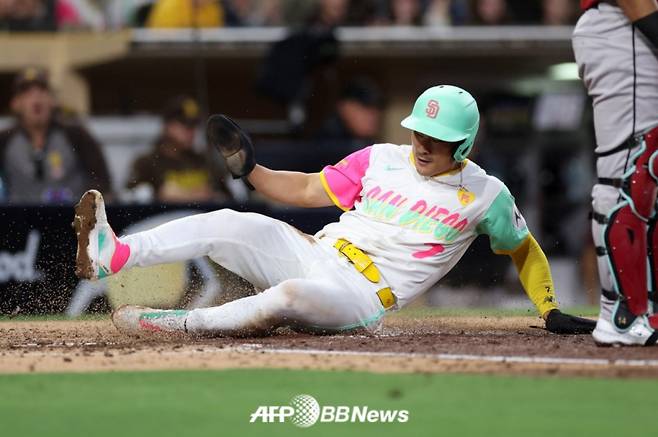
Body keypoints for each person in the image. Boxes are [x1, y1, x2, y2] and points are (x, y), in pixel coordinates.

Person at [72, 85, 594, 337]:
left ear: (464, 144)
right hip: (316, 251)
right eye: (419, 131)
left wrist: (548, 309)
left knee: (292, 297)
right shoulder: (380, 158)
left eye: (438, 138)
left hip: (361, 297)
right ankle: (114, 255)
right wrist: (251, 170)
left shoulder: (487, 194)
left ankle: (184, 324)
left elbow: (524, 250)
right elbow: (303, 191)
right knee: (233, 222)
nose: (423, 143)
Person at [572, 0, 658, 345]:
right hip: (626, 26)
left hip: (636, 29)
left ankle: (646, 308)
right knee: (632, 172)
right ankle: (623, 313)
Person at [0, 67, 111, 204]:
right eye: (27, 94)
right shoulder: (5, 140)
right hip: (17, 220)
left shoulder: (76, 136)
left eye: (42, 92)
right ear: (16, 104)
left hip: (70, 219)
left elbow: (101, 181)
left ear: (53, 100)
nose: (36, 99)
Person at [125, 95, 231, 203]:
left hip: (202, 218)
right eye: (185, 124)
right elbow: (128, 200)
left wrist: (208, 194)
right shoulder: (147, 163)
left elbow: (229, 198)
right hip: (163, 218)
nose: (190, 131)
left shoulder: (205, 161)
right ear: (167, 125)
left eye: (194, 125)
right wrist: (158, 195)